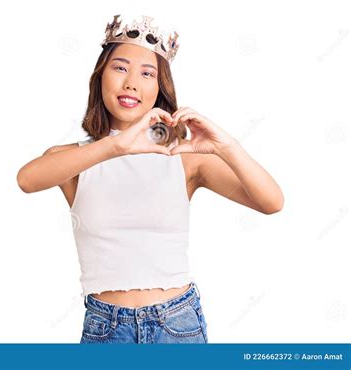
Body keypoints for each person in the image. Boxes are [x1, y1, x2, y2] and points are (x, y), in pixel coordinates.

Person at [17, 15, 284, 344]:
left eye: (147, 73)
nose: (131, 83)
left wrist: (226, 146)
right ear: (100, 76)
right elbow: (27, 180)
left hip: (177, 323)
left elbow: (272, 202)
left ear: (160, 88)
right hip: (105, 328)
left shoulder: (181, 158)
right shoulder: (75, 160)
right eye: (120, 68)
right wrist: (114, 145)